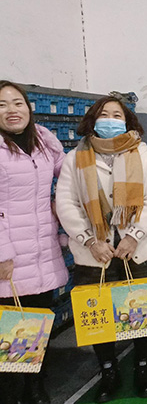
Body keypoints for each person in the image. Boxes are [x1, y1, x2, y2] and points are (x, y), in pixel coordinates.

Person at [56, 96, 147, 402]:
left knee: (141, 313)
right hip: (93, 254)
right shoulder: (75, 158)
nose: (111, 120)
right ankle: (108, 371)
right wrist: (90, 241)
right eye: (104, 114)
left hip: (138, 251)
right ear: (93, 119)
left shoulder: (143, 154)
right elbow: (66, 203)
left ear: (127, 121)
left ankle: (142, 368)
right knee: (100, 317)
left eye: (118, 115)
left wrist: (133, 236)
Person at [0, 80, 67, 404]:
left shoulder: (42, 139)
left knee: (38, 323)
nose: (11, 110)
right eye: (1, 105)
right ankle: (12, 392)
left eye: (17, 103)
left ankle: (35, 387)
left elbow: (67, 175)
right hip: (9, 255)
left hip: (42, 250)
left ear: (29, 108)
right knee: (10, 329)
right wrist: (2, 253)